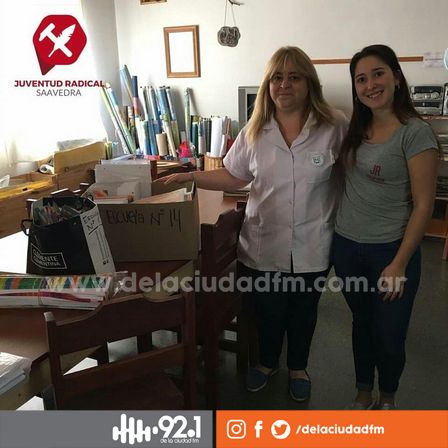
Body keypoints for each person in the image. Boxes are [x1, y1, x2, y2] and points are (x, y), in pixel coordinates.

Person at [159, 46, 347, 402]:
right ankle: (266, 363)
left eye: (294, 77)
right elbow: (234, 175)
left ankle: (298, 368)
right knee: (268, 311)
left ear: (309, 82)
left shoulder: (334, 125)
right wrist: (191, 176)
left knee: (304, 312)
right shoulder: (255, 130)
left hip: (313, 243)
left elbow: (352, 171)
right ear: (268, 85)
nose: (284, 85)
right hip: (264, 243)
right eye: (277, 77)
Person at [333, 44, 439, 410]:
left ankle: (388, 397)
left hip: (391, 252)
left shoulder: (416, 133)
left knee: (390, 334)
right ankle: (364, 391)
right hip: (347, 247)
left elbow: (424, 205)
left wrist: (399, 263)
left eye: (378, 74)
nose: (370, 85)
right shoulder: (355, 129)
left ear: (396, 76)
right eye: (361, 79)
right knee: (362, 325)